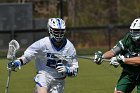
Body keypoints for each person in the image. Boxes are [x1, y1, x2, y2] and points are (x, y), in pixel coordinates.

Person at [8, 18, 79, 93]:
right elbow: (27, 56)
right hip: (44, 75)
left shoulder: (69, 47)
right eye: (56, 31)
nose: (59, 34)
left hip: (59, 81)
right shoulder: (42, 43)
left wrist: (67, 70)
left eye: (61, 32)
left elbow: (75, 71)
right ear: (50, 30)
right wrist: (17, 63)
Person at [94, 18, 140, 93]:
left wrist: (123, 60)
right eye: (132, 30)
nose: (133, 33)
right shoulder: (128, 38)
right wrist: (102, 57)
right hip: (129, 73)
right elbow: (113, 52)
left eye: (136, 31)